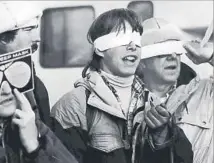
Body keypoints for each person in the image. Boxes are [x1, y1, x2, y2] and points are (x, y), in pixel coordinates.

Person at [50, 9, 193, 163]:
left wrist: (162, 137)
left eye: (137, 39)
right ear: (99, 48)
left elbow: (184, 159)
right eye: (121, 39)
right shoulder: (74, 106)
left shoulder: (153, 102)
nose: (132, 46)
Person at [138, 17, 213, 163]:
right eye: (161, 50)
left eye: (175, 49)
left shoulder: (207, 92)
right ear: (142, 61)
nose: (172, 56)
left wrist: (211, 56)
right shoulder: (127, 104)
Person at [0, 1, 51, 127]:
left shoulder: (35, 83)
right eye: (28, 30)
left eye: (36, 29)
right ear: (4, 37)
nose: (37, 38)